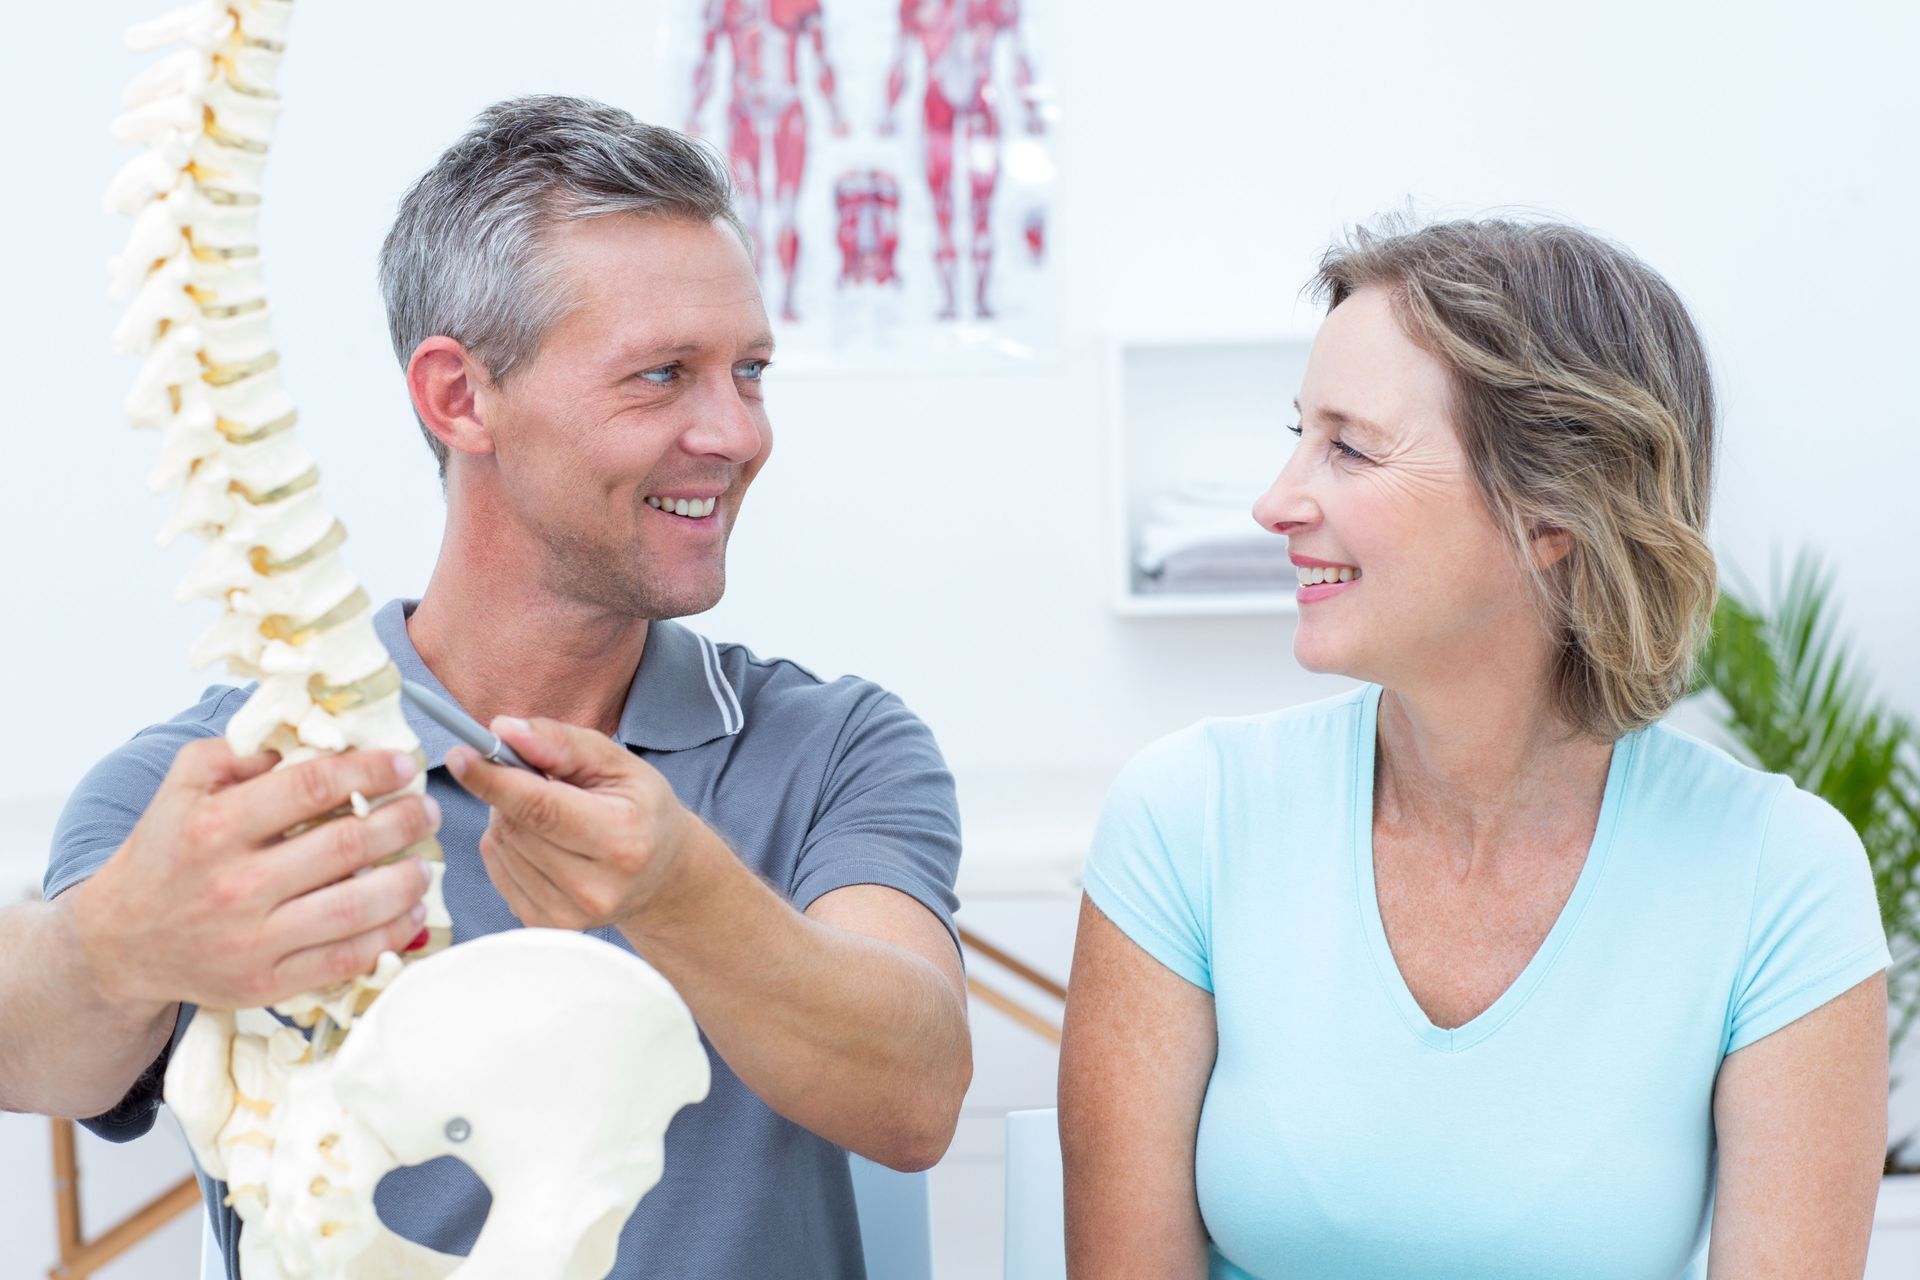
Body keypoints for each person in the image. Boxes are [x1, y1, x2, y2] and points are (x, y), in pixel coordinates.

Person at [0, 96, 970, 1280]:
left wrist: (679, 893)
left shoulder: (833, 746)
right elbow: (42, 1055)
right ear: (461, 398)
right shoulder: (219, 785)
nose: (736, 432)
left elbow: (916, 1092)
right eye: (664, 376)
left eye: (750, 370)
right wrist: (117, 947)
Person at [1058, 218, 1890, 1278]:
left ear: (1551, 510)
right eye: (1299, 433)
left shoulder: (1779, 874)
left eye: (1349, 446)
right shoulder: (1186, 818)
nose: (1274, 502)